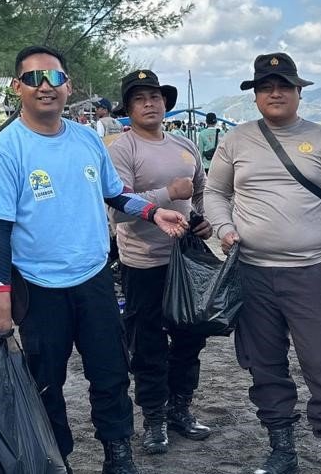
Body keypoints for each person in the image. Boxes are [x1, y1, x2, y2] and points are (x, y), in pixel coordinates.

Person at [0, 45, 188, 474]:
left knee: (111, 373)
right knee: (46, 382)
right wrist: (1, 298)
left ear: (68, 87)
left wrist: (153, 210)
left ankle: (118, 453)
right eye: (33, 79)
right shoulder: (4, 150)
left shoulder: (88, 138)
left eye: (54, 78)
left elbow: (115, 194)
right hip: (38, 285)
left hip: (93, 278)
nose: (45, 87)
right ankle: (58, 459)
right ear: (17, 87)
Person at [204, 52, 321, 474]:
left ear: (298, 92)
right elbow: (214, 192)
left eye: (283, 86)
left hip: (312, 272)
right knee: (264, 365)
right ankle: (282, 450)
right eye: (266, 86)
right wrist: (223, 228)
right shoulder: (236, 140)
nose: (275, 93)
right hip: (251, 272)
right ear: (255, 96)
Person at [107, 69, 215, 456]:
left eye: (155, 96)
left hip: (185, 261)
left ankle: (180, 408)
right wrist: (167, 193)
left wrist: (203, 220)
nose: (149, 103)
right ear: (129, 108)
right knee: (148, 343)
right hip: (142, 263)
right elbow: (116, 209)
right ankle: (153, 418)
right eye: (139, 98)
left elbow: (203, 191)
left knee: (191, 336)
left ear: (165, 102)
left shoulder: (184, 144)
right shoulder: (122, 148)